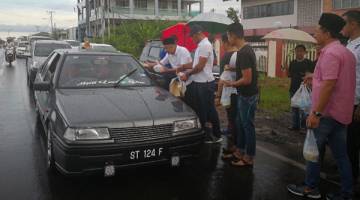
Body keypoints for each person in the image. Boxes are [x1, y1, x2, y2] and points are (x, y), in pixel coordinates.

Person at [287, 13, 356, 200]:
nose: (315, 33)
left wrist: (316, 113)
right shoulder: (346, 53)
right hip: (341, 114)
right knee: (342, 156)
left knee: (312, 152)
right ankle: (347, 192)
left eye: (317, 30)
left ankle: (311, 188)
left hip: (325, 114)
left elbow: (329, 85)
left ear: (326, 32)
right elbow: (334, 81)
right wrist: (314, 78)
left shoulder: (331, 53)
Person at [178, 25, 222, 143]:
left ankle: (215, 135)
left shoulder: (205, 45)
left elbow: (200, 67)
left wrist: (187, 74)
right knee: (202, 109)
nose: (192, 39)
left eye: (192, 36)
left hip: (205, 83)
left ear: (198, 33)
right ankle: (208, 133)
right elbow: (195, 64)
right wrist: (183, 67)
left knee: (209, 110)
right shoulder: (201, 45)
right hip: (200, 82)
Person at [223, 22, 259, 167]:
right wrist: (232, 70)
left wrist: (231, 84)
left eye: (228, 36)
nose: (228, 39)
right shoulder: (245, 49)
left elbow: (247, 79)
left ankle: (249, 156)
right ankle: (239, 150)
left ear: (233, 35)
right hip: (244, 94)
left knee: (247, 126)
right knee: (240, 123)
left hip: (248, 95)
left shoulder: (243, 53)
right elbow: (245, 72)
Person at [342, 10, 360, 188]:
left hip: (357, 102)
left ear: (353, 24)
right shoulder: (348, 44)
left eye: (344, 23)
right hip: (346, 101)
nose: (342, 27)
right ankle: (346, 173)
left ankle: (352, 180)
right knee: (346, 142)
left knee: (353, 143)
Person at [215, 33, 238, 158]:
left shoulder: (226, 57)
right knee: (236, 118)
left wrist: (218, 96)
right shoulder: (239, 53)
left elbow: (222, 79)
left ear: (225, 42)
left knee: (232, 117)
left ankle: (233, 147)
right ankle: (236, 144)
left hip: (229, 92)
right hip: (239, 90)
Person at [288, 44, 315, 131]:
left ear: (304, 52)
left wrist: (306, 76)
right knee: (294, 108)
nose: (299, 53)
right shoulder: (292, 62)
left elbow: (312, 75)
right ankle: (295, 125)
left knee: (304, 109)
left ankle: (304, 126)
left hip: (305, 89)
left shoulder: (309, 63)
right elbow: (289, 75)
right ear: (295, 52)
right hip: (293, 88)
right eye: (297, 51)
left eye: (301, 51)